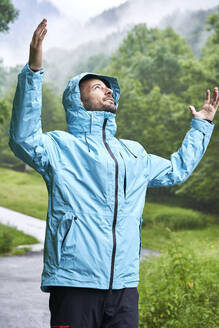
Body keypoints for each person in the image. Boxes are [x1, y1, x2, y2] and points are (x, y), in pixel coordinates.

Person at [9, 18, 218, 328]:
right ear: (79, 103)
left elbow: (176, 170)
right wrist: (34, 72)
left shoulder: (134, 152)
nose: (107, 91)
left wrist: (201, 124)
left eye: (108, 88)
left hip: (124, 287)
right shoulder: (59, 147)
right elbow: (23, 138)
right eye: (97, 88)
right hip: (74, 283)